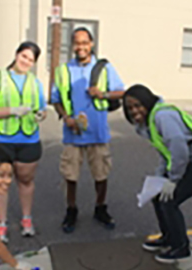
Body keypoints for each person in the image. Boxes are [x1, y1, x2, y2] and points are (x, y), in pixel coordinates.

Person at [123, 85, 192, 263]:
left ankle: (181, 248)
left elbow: (180, 151)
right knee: (158, 196)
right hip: (189, 162)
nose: (134, 111)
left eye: (138, 105)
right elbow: (166, 154)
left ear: (148, 102)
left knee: (170, 201)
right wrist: (159, 179)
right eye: (130, 108)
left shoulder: (162, 116)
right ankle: (169, 238)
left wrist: (173, 180)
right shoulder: (148, 123)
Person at [51, 27, 124, 233]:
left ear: (91, 44)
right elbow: (56, 100)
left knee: (101, 174)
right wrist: (66, 117)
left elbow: (121, 92)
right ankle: (71, 209)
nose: (81, 47)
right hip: (73, 134)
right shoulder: (64, 70)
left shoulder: (104, 68)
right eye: (77, 43)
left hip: (98, 132)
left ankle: (100, 208)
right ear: (72, 45)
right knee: (70, 175)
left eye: (85, 42)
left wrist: (103, 94)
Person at [0, 41, 47, 243]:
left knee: (26, 181)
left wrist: (40, 115)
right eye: (24, 56)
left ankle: (26, 219)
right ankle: (1, 223)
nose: (26, 61)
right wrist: (12, 111)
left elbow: (41, 108)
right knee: (1, 184)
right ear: (17, 54)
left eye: (31, 60)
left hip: (28, 139)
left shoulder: (35, 82)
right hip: (1, 140)